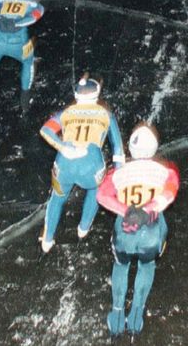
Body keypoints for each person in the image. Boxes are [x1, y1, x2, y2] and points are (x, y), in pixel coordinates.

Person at [96, 123, 180, 337]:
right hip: (152, 232)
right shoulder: (166, 169)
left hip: (125, 233)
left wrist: (126, 211)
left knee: (121, 265)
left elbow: (102, 196)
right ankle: (136, 315)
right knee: (147, 264)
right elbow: (171, 191)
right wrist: (148, 210)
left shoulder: (117, 171)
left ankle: (116, 316)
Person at [38, 76, 125, 253]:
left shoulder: (67, 113)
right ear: (97, 95)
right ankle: (83, 228)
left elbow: (45, 130)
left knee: (57, 197)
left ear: (76, 95)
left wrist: (63, 146)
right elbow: (118, 149)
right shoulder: (106, 115)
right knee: (94, 191)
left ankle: (47, 240)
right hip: (91, 165)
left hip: (64, 163)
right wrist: (118, 174)